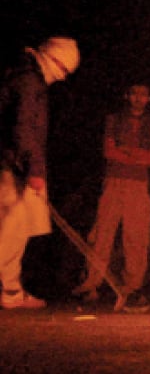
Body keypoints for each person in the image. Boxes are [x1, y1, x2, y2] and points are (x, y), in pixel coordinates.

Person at [0, 36, 80, 309]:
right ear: (54, 60)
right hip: (12, 166)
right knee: (12, 228)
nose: (62, 78)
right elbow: (24, 128)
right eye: (64, 71)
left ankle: (11, 289)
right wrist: (34, 169)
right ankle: (9, 291)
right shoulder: (30, 82)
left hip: (12, 163)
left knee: (16, 227)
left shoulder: (22, 74)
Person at [72, 83, 150, 310]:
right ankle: (91, 284)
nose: (138, 98)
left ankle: (133, 287)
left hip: (138, 185)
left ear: (149, 98)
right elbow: (108, 151)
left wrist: (127, 152)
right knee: (103, 233)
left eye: (143, 94)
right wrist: (135, 155)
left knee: (136, 237)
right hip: (113, 181)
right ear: (127, 95)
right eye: (134, 93)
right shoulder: (114, 120)